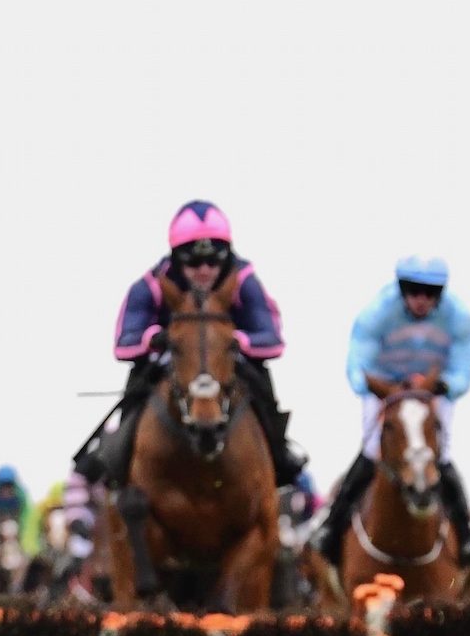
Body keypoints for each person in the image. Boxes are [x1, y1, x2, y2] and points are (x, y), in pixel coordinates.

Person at [75, 200, 306, 490]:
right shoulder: (150, 285)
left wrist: (235, 342)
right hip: (170, 359)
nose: (205, 269)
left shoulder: (244, 280)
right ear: (176, 257)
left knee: (260, 380)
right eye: (193, 261)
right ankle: (117, 460)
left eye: (214, 259)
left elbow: (272, 338)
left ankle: (279, 451)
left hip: (229, 359)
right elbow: (124, 342)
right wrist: (154, 338)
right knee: (137, 386)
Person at [312, 256, 470, 566]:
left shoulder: (458, 316)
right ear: (402, 289)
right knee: (371, 448)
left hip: (431, 390)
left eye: (430, 293)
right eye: (414, 291)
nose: (422, 300)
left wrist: (447, 386)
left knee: (440, 453)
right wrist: (379, 388)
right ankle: (331, 524)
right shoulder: (377, 312)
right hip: (386, 390)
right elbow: (358, 362)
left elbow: (463, 364)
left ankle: (467, 531)